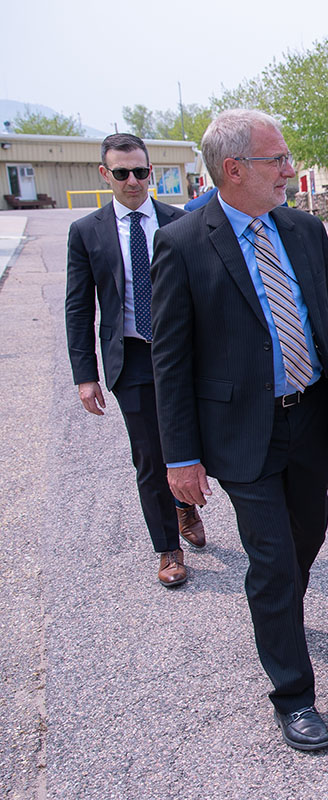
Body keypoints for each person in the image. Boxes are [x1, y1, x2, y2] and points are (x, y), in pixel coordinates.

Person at [150, 109, 328, 750]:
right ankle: (294, 696)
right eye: (277, 159)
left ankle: (279, 612)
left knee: (306, 537)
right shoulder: (185, 243)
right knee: (271, 560)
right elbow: (170, 360)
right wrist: (180, 456)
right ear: (235, 168)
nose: (290, 169)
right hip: (239, 432)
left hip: (306, 418)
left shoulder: (303, 231)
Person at [64, 133, 206, 588]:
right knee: (149, 457)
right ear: (105, 175)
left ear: (151, 172)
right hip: (132, 359)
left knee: (195, 442)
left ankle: (185, 503)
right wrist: (85, 376)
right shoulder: (87, 232)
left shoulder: (179, 221)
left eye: (140, 172)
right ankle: (168, 549)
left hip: (185, 355)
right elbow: (79, 307)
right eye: (122, 173)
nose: (132, 181)